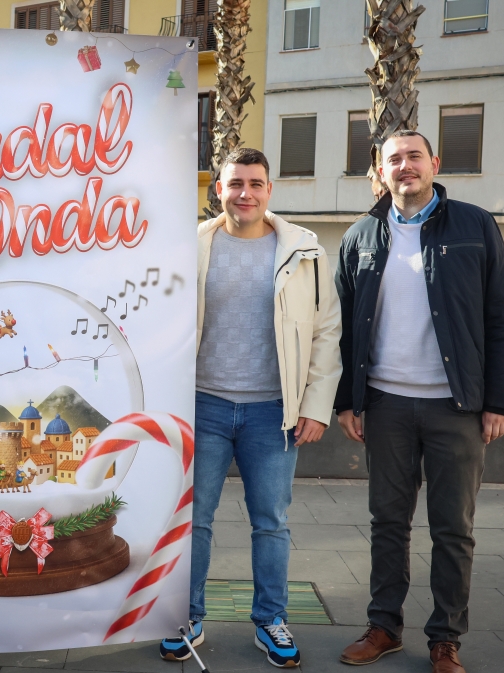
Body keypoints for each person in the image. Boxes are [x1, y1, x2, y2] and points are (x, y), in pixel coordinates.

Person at [333, 131, 504, 673]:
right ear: (380, 170)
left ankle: (445, 638)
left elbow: (503, 318)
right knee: (387, 521)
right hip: (386, 403)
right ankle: (384, 626)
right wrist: (348, 401)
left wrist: (500, 402)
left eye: (415, 156)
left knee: (452, 528)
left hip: (455, 406)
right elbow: (344, 329)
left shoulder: (475, 225)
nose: (405, 165)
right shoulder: (361, 236)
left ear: (434, 163)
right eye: (394, 159)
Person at [159, 147, 342, 668]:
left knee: (272, 521)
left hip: (273, 411)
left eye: (256, 183)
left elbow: (327, 330)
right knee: (194, 519)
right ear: (218, 189)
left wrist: (316, 405)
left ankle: (269, 620)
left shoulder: (303, 249)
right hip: (203, 406)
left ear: (269, 190)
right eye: (235, 183)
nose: (246, 193)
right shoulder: (189, 245)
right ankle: (187, 614)